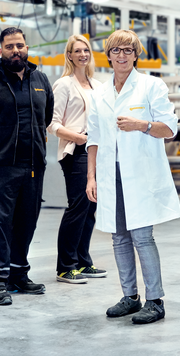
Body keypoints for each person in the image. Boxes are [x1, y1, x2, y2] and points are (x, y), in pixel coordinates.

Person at [86, 29, 180, 325]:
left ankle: (155, 300)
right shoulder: (99, 92)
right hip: (110, 173)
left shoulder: (152, 86)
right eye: (116, 51)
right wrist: (91, 177)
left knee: (142, 236)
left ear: (136, 54)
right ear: (109, 55)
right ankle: (130, 296)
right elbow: (94, 138)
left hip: (141, 174)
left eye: (128, 50)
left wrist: (143, 125)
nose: (122, 56)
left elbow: (170, 128)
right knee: (118, 237)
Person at [0, 27, 54, 306]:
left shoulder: (40, 79)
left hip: (34, 165)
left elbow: (45, 117)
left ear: (27, 48)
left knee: (26, 223)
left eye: (20, 45)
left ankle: (18, 274)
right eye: (9, 46)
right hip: (0, 166)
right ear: (0, 50)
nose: (16, 51)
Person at [48, 35, 106, 284]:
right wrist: (78, 138)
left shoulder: (98, 85)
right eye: (77, 50)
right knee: (78, 205)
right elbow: (52, 123)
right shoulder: (64, 85)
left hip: (97, 150)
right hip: (76, 150)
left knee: (91, 208)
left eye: (86, 50)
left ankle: (83, 262)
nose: (83, 54)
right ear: (69, 55)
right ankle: (65, 267)